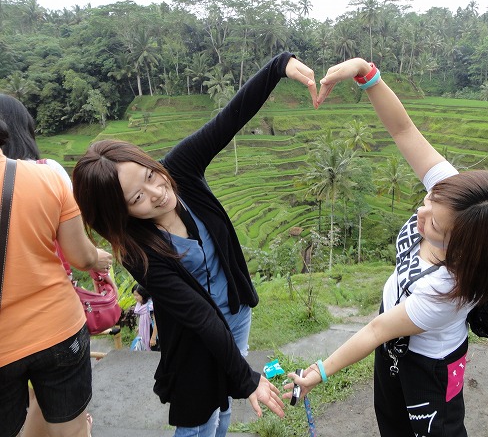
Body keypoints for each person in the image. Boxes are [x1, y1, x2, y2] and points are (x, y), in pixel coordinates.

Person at [283, 58, 488, 437]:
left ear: (464, 250)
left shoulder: (446, 290)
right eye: (430, 199)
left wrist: (318, 373)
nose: (422, 212)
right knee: (391, 423)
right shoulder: (457, 200)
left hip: (429, 365)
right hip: (394, 340)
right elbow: (403, 130)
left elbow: (376, 331)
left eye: (434, 224)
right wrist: (365, 74)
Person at [72, 52, 317, 437]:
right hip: (194, 337)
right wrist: (246, 378)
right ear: (120, 214)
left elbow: (230, 119)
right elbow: (199, 315)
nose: (157, 192)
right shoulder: (138, 252)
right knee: (199, 417)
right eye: (137, 198)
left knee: (223, 408)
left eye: (150, 175)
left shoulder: (180, 169)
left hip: (235, 313)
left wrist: (278, 66)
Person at [0, 123, 113, 437]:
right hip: (58, 329)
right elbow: (81, 257)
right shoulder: (46, 178)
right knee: (72, 431)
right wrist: (98, 258)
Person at [131, 283, 159, 351]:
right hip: (145, 333)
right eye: (134, 295)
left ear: (143, 294)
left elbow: (157, 322)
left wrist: (153, 338)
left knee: (153, 353)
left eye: (137, 295)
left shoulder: (150, 306)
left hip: (152, 333)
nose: (135, 297)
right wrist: (140, 327)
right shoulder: (140, 304)